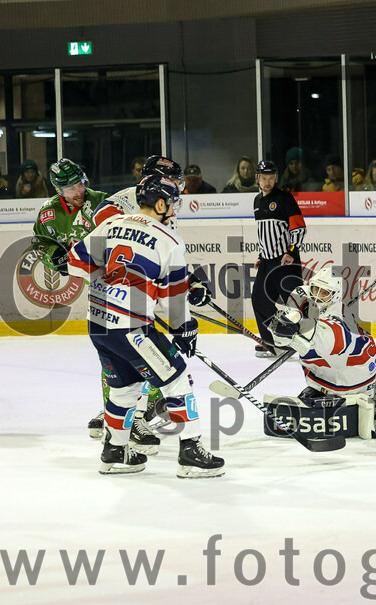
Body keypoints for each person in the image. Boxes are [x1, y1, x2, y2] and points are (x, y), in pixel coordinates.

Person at [67, 174, 222, 477]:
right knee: (177, 379)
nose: (174, 210)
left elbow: (75, 262)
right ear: (160, 203)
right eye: (172, 203)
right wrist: (184, 328)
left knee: (124, 388)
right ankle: (190, 453)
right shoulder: (169, 240)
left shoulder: (111, 224)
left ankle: (115, 452)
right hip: (133, 327)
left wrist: (113, 285)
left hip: (98, 324)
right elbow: (174, 300)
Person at [87, 155, 194, 448]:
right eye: (174, 181)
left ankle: (125, 422)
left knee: (135, 361)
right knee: (135, 356)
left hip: (134, 293)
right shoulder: (120, 204)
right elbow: (104, 245)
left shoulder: (163, 203)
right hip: (117, 291)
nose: (180, 187)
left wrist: (191, 280)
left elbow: (166, 253)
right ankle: (129, 417)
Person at [268, 265, 376, 440]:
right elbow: (289, 320)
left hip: (354, 372)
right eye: (315, 289)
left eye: (325, 293)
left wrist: (294, 333)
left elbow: (321, 341)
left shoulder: (338, 323)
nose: (317, 295)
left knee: (366, 419)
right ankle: (375, 388)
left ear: (335, 295)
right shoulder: (302, 294)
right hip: (334, 372)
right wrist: (285, 330)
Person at [252, 160, 306, 357]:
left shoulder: (285, 198)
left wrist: (291, 252)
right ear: (258, 179)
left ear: (275, 178)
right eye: (264, 178)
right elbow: (263, 233)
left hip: (285, 262)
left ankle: (309, 341)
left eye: (271, 178)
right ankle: (272, 343)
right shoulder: (257, 201)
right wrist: (261, 255)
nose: (267, 182)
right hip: (267, 262)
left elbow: (299, 228)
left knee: (296, 304)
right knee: (260, 301)